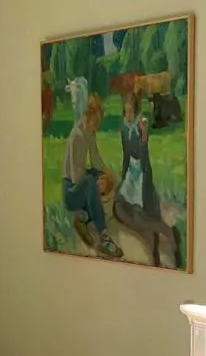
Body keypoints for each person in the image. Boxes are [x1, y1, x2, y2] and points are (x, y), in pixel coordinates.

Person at [112, 92, 183, 268]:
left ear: (136, 112)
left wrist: (143, 139)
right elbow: (126, 154)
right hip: (130, 173)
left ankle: (167, 234)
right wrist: (124, 176)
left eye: (131, 112)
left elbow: (143, 157)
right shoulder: (124, 128)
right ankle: (152, 235)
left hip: (142, 174)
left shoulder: (140, 126)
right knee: (118, 208)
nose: (129, 115)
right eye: (126, 112)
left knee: (140, 212)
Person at [62, 91, 123, 259]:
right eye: (96, 122)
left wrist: (106, 172)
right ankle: (104, 237)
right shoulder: (77, 136)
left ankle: (84, 217)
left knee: (96, 176)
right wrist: (95, 181)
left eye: (99, 122)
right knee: (90, 181)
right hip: (70, 190)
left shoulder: (89, 131)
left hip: (79, 182)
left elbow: (95, 158)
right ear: (89, 116)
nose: (97, 126)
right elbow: (76, 176)